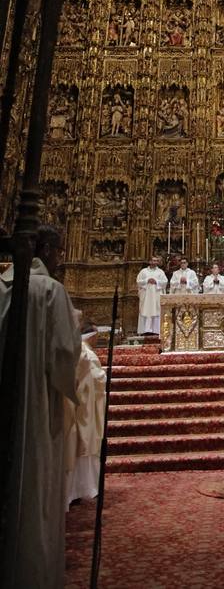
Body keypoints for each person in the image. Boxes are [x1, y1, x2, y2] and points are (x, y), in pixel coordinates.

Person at [0, 225, 81, 589]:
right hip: (35, 398)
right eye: (60, 250)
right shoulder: (49, 290)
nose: (61, 257)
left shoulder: (4, 287)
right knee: (32, 481)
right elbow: (66, 352)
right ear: (47, 250)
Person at [64, 321, 107, 508]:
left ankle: (76, 491)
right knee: (81, 447)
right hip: (83, 408)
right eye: (96, 335)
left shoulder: (80, 351)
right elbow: (96, 379)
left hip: (78, 407)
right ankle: (80, 489)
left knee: (77, 447)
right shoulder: (85, 353)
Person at [136, 255, 168, 334]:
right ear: (149, 261)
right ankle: (144, 331)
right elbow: (138, 281)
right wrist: (147, 280)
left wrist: (156, 281)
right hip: (146, 295)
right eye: (153, 261)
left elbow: (165, 282)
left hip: (156, 294)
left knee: (156, 310)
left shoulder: (160, 272)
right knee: (145, 310)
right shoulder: (143, 271)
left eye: (156, 261)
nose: (154, 262)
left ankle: (156, 331)